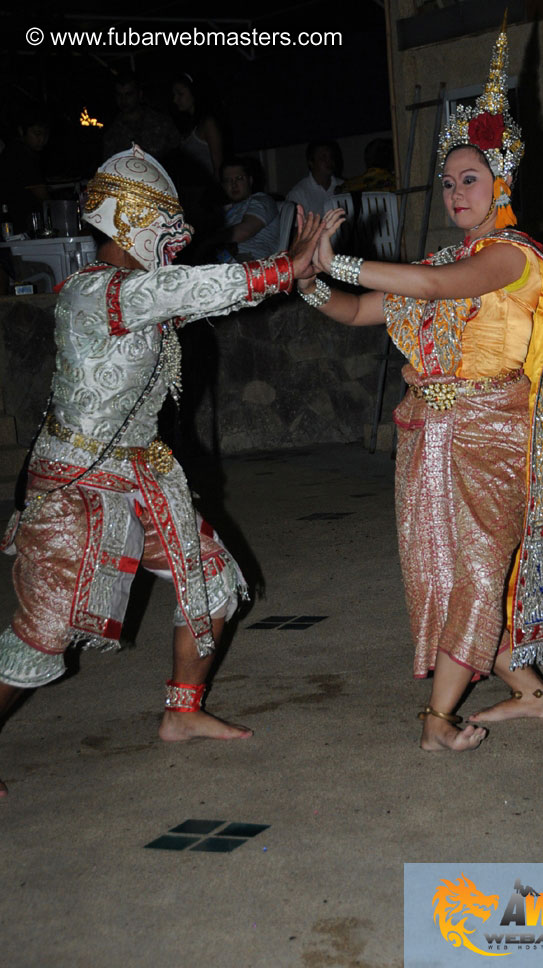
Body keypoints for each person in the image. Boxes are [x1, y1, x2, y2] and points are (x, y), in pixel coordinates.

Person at [0, 144, 322, 797]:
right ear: (124, 222)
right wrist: (283, 267)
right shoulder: (101, 295)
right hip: (78, 487)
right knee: (43, 636)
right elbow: (185, 287)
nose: (174, 240)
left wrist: (284, 273)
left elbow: (195, 295)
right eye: (161, 225)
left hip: (140, 476)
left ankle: (181, 711)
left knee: (214, 588)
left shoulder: (136, 293)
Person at [298, 25, 543, 752]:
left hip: (490, 436)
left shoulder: (511, 259)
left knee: (480, 572)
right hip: (433, 433)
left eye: (469, 179)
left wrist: (342, 258)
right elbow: (357, 311)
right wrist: (304, 280)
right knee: (454, 573)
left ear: (502, 182)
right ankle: (532, 694)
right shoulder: (455, 254)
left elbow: (425, 285)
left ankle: (437, 720)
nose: (455, 192)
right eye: (448, 181)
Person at [102, 73, 180, 163]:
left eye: (129, 94)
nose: (123, 100)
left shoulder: (161, 122)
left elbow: (178, 153)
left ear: (139, 94)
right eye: (119, 95)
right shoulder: (112, 132)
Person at [217, 157, 280, 262]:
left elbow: (244, 231)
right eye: (228, 180)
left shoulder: (261, 200)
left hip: (250, 262)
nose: (234, 185)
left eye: (239, 178)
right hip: (225, 261)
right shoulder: (224, 211)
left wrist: (207, 240)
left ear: (250, 180)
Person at [0, 107, 50, 235]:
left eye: (45, 134)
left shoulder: (17, 151)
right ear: (22, 131)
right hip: (19, 228)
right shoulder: (21, 154)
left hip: (18, 227)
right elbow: (42, 194)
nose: (42, 139)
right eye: (37, 134)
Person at [171, 73, 224, 183]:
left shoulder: (208, 123)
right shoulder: (185, 124)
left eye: (180, 94)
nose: (175, 100)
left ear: (194, 94)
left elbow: (218, 166)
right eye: (174, 95)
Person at [286, 141, 343, 215]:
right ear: (311, 162)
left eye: (331, 156)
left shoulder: (343, 186)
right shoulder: (298, 194)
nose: (329, 161)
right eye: (323, 157)